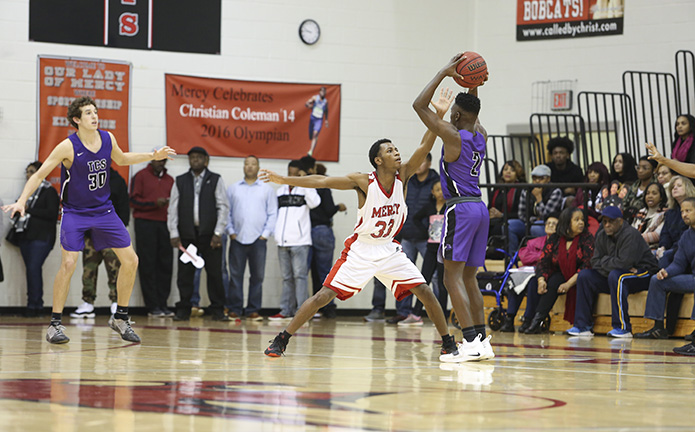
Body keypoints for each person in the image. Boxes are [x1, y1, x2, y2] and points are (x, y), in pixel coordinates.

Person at [262, 88, 459, 359]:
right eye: (390, 150)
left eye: (396, 148)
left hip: (389, 248)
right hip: (362, 249)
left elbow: (425, 146)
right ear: (378, 160)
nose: (397, 152)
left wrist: (438, 115)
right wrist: (284, 180)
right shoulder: (364, 181)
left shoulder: (405, 174)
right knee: (323, 296)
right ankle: (282, 339)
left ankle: (448, 342)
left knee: (424, 289)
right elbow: (322, 181)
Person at [2, 96, 175, 344]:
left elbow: (123, 159)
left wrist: (152, 154)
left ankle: (120, 318)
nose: (94, 116)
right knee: (69, 263)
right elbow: (40, 174)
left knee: (131, 260)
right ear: (77, 119)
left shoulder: (107, 138)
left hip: (104, 211)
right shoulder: (67, 147)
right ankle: (54, 325)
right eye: (88, 113)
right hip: (75, 212)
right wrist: (21, 201)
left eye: (95, 111)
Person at [413, 54, 495, 362]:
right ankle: (482, 341)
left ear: (456, 117)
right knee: (469, 277)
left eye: (452, 116)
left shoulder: (451, 134)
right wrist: (472, 85)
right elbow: (472, 111)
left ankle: (470, 342)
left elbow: (419, 106)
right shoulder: (480, 134)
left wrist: (444, 72)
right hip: (480, 210)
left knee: (450, 278)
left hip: (459, 209)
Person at [568, 206, 659, 338]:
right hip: (615, 274)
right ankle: (583, 326)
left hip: (643, 273)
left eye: (610, 221)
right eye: (604, 221)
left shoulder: (631, 234)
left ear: (620, 221)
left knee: (618, 276)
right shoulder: (601, 235)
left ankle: (623, 327)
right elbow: (594, 262)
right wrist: (609, 262)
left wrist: (604, 262)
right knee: (585, 276)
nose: (607, 225)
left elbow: (624, 263)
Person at [376, 152, 440, 325]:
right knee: (403, 275)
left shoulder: (436, 182)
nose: (418, 165)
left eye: (422, 162)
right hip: (406, 235)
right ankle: (404, 312)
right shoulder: (407, 180)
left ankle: (437, 313)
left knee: (434, 276)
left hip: (428, 239)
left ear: (429, 163)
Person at [168, 146, 230, 322]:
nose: (194, 160)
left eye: (198, 157)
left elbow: (223, 207)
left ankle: (218, 310)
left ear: (206, 160)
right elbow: (172, 209)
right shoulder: (180, 181)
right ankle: (184, 309)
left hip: (210, 236)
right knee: (184, 275)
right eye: (192, 157)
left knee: (215, 274)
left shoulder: (215, 179)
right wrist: (173, 232)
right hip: (187, 236)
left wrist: (218, 232)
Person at [635, 197, 695, 355]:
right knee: (657, 280)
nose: (684, 214)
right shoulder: (686, 236)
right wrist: (666, 271)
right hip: (692, 278)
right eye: (682, 211)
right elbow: (679, 263)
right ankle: (658, 327)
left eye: (688, 210)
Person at [71, 167, 129, 318]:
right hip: (91, 234)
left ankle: (117, 302)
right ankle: (88, 303)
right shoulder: (85, 179)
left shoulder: (117, 181)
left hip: (110, 234)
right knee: (89, 268)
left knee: (114, 268)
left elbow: (124, 206)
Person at [524, 208, 594, 333]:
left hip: (580, 276)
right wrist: (541, 280)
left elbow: (587, 265)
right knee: (549, 282)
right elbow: (543, 262)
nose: (581, 223)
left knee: (579, 276)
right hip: (561, 273)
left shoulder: (587, 238)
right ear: (567, 222)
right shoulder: (556, 238)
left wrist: (568, 284)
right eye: (576, 220)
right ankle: (536, 320)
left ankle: (538, 321)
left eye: (582, 220)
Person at [226, 155, 277, 320]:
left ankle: (253, 310)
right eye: (246, 163)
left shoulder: (267, 189)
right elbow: (227, 213)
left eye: (253, 164)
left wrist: (264, 235)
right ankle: (235, 308)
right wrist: (231, 231)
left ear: (258, 167)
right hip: (237, 238)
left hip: (258, 240)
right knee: (235, 275)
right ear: (243, 167)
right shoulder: (233, 189)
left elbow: (272, 214)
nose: (249, 166)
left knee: (258, 276)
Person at [268, 160, 321, 321]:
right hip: (282, 242)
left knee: (300, 277)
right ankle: (285, 310)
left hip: (300, 241)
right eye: (289, 172)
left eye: (295, 173)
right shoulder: (280, 190)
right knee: (286, 278)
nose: (291, 175)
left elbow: (315, 203)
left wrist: (305, 183)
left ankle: (301, 312)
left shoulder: (305, 188)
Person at [12, 162, 59, 317]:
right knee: (31, 271)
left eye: (31, 171)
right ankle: (34, 304)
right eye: (27, 172)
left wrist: (28, 208)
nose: (28, 175)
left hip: (42, 237)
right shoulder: (27, 192)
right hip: (27, 236)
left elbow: (52, 214)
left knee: (33, 269)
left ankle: (34, 305)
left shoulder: (49, 192)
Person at [129, 158, 175, 318]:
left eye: (163, 161)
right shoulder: (140, 176)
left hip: (165, 224)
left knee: (165, 264)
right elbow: (133, 200)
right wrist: (154, 203)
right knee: (148, 263)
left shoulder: (170, 180)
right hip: (145, 223)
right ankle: (152, 305)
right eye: (157, 160)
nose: (160, 163)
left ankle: (163, 303)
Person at [501, 213, 559, 333]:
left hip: (545, 273)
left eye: (554, 224)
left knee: (533, 282)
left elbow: (553, 260)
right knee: (514, 279)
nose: (550, 226)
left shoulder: (559, 243)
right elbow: (524, 256)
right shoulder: (535, 241)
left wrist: (539, 257)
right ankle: (510, 318)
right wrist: (542, 256)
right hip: (528, 271)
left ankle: (528, 319)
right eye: (548, 223)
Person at [303, 159, 346, 319]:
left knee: (311, 272)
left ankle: (316, 308)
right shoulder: (323, 185)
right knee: (325, 273)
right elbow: (327, 210)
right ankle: (329, 308)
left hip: (306, 233)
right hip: (322, 230)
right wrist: (338, 207)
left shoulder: (304, 186)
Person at [411, 181, 449, 321]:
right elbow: (416, 218)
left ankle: (443, 313)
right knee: (423, 280)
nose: (440, 192)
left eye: (442, 189)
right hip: (431, 248)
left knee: (442, 282)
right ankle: (416, 313)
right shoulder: (429, 207)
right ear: (433, 192)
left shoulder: (449, 207)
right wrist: (425, 231)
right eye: (437, 190)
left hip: (443, 250)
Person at [655, 176, 695, 268]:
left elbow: (686, 236)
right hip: (670, 249)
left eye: (679, 185)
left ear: (688, 188)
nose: (675, 188)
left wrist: (667, 251)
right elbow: (665, 234)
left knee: (664, 257)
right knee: (650, 255)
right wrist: (663, 247)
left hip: (685, 249)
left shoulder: (693, 210)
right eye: (673, 187)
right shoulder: (670, 213)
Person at [517, 164, 563, 238]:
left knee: (536, 227)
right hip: (529, 221)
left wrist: (539, 198)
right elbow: (521, 213)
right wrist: (532, 220)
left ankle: (541, 249)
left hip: (547, 224)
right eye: (534, 178)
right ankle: (513, 249)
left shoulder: (555, 191)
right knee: (510, 225)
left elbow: (546, 216)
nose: (537, 181)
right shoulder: (526, 190)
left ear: (548, 179)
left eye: (541, 178)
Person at [488, 160, 525, 253]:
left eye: (512, 170)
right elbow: (489, 207)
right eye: (505, 169)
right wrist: (489, 213)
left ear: (518, 174)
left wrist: (502, 215)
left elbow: (522, 214)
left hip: (514, 221)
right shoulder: (497, 189)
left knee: (502, 227)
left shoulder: (520, 190)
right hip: (496, 220)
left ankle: (509, 255)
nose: (508, 172)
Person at [630, 182, 667, 251]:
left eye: (654, 193)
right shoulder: (641, 212)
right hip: (634, 246)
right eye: (647, 193)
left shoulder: (664, 214)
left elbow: (657, 235)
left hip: (651, 250)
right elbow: (632, 229)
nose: (650, 196)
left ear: (661, 197)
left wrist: (635, 237)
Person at [620, 156, 657, 222]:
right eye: (638, 167)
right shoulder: (634, 185)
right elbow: (624, 203)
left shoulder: (656, 186)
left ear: (654, 170)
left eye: (645, 168)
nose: (640, 171)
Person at [306, 87, 329, 156]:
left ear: (325, 93)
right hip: (313, 118)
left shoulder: (325, 102)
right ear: (319, 92)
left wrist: (326, 120)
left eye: (324, 92)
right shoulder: (315, 98)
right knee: (311, 135)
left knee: (315, 134)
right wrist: (308, 105)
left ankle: (311, 151)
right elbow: (307, 103)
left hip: (319, 120)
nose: (322, 93)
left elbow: (326, 111)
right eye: (321, 91)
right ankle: (314, 137)